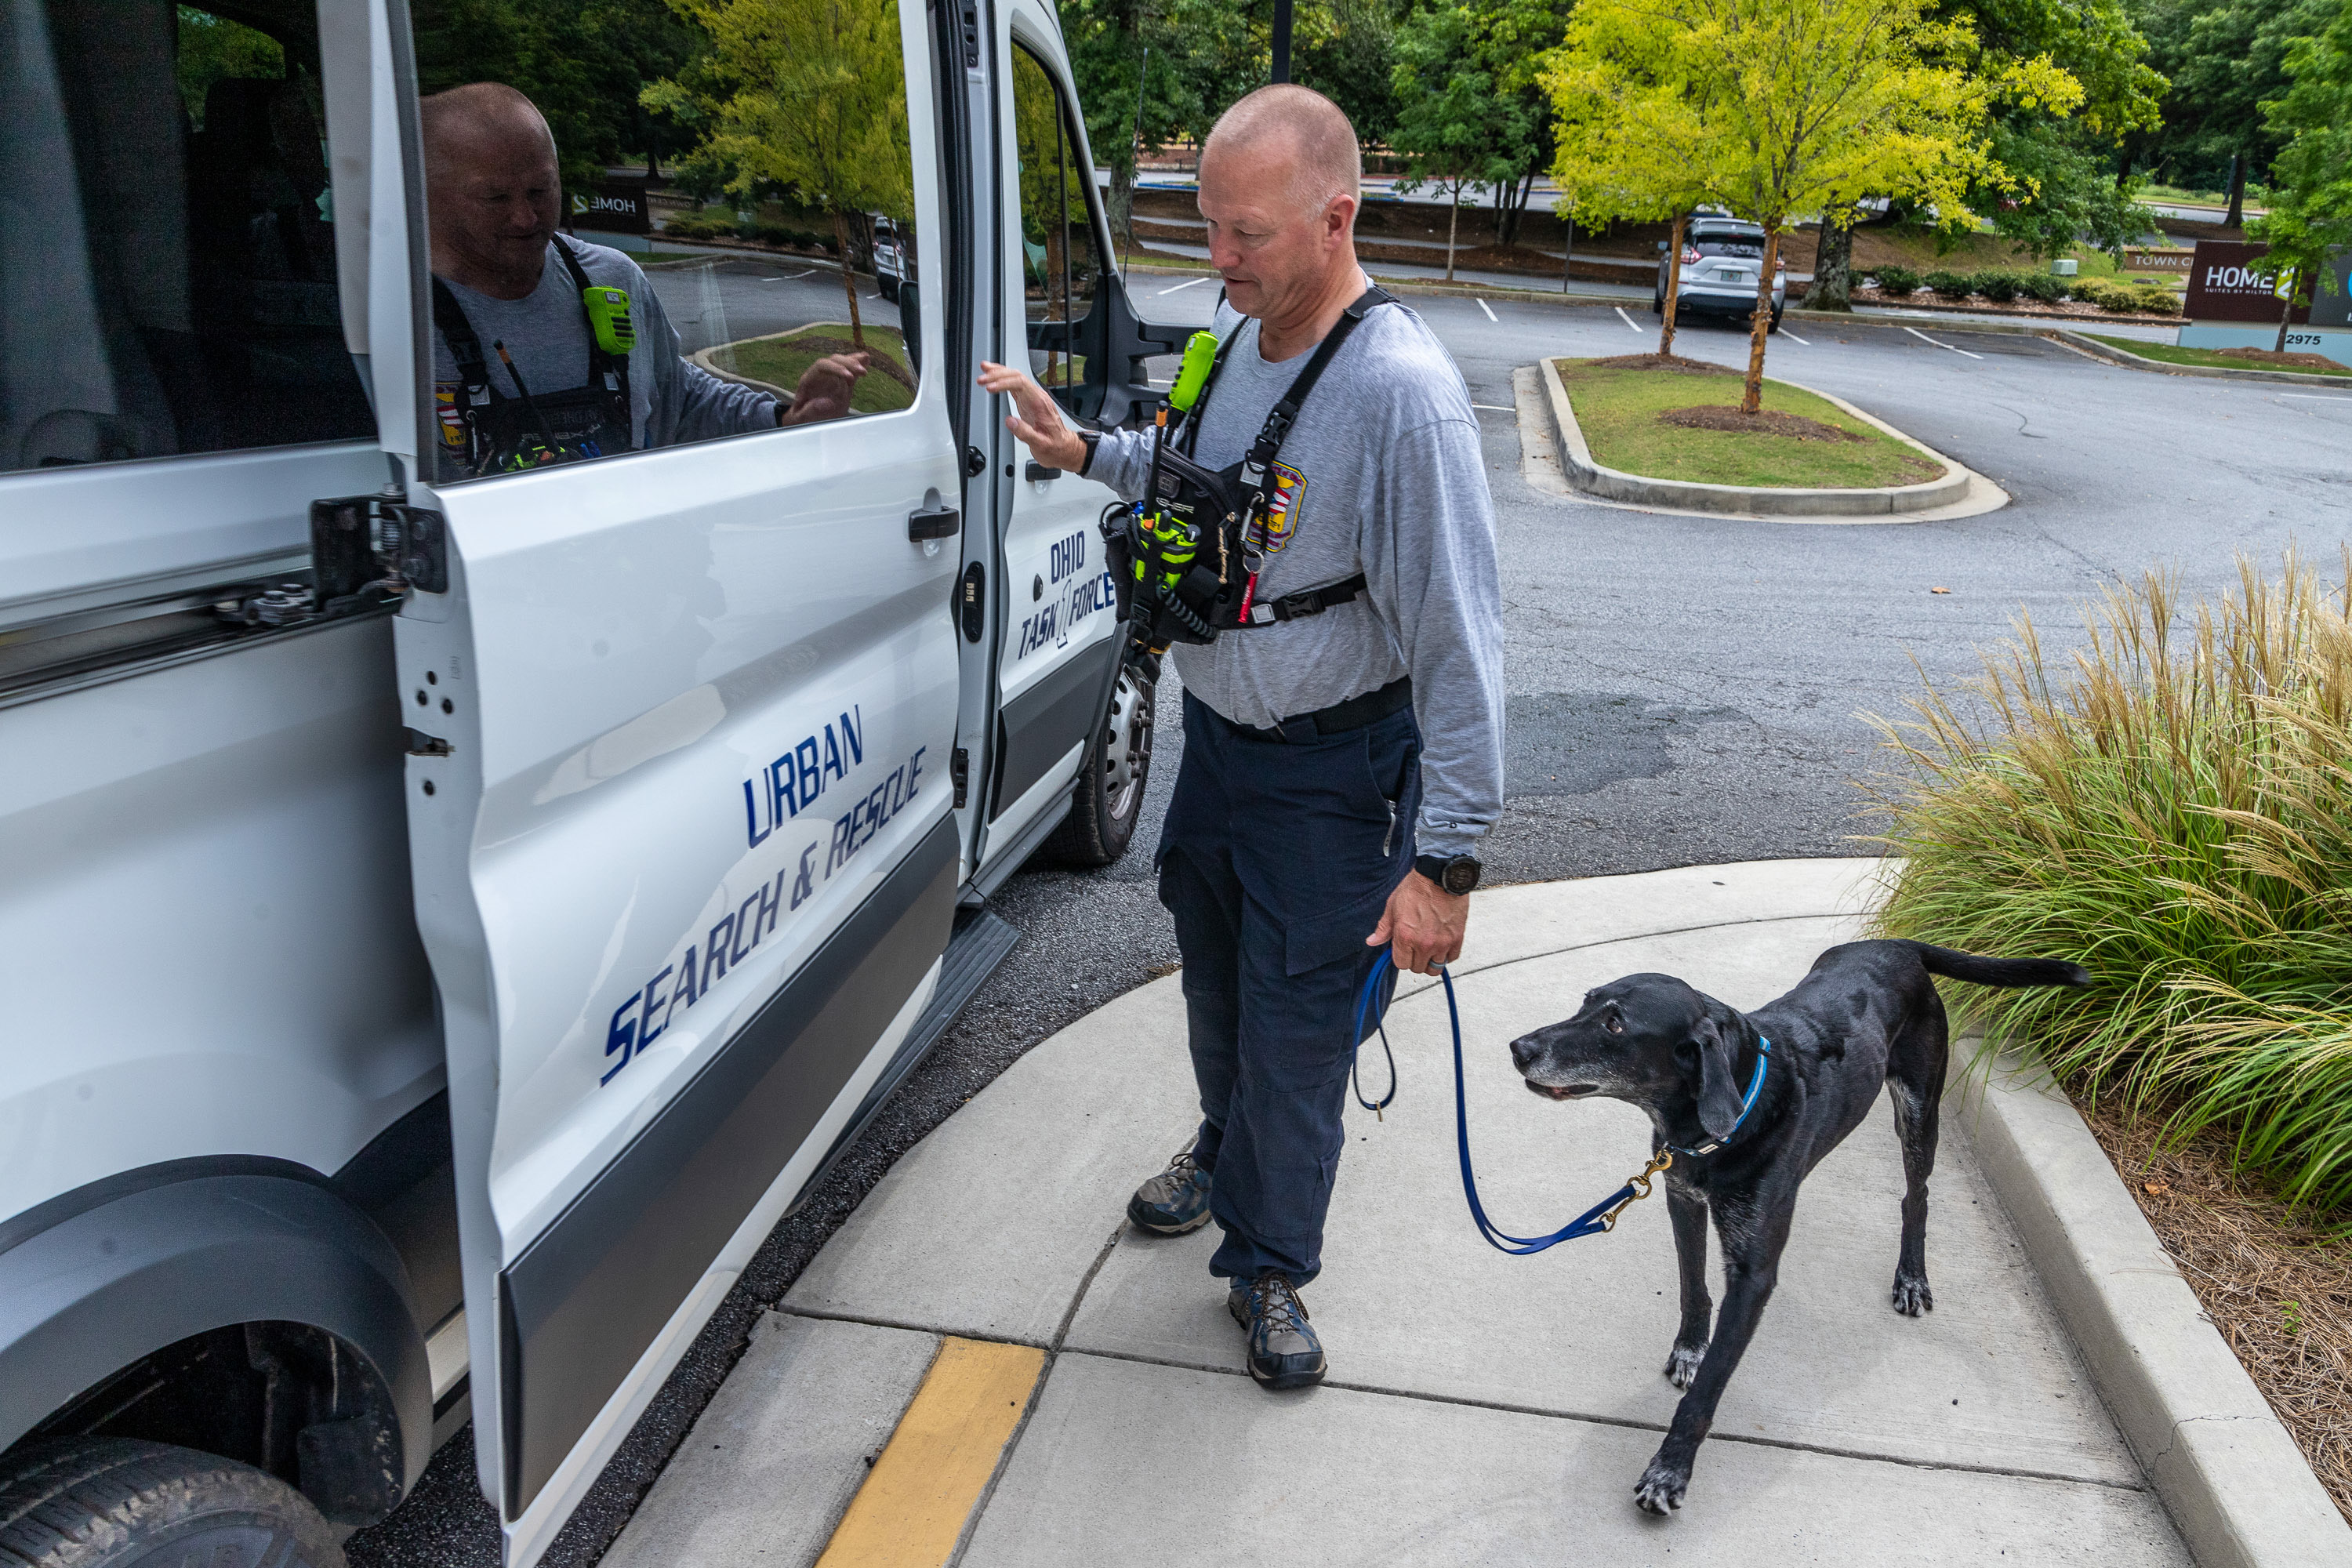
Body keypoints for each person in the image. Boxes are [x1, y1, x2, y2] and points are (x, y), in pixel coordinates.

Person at [978, 85, 1504, 1391]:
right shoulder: (1236, 340)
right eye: (1208, 227)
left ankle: (1270, 1266)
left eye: (1246, 235)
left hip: (1332, 780)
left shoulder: (1400, 399)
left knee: (1298, 1034)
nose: (1217, 261)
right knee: (1216, 991)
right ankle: (1226, 1152)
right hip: (1218, 755)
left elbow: (1460, 643)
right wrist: (1081, 451)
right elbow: (1196, 485)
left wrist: (1446, 864)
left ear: (1337, 219)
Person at [421, 82, 869, 477]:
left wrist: (785, 419)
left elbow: (681, 399)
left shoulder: (613, 279)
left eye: (542, 190)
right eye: (495, 197)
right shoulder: (395, 316)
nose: (525, 216)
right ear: (430, 195)